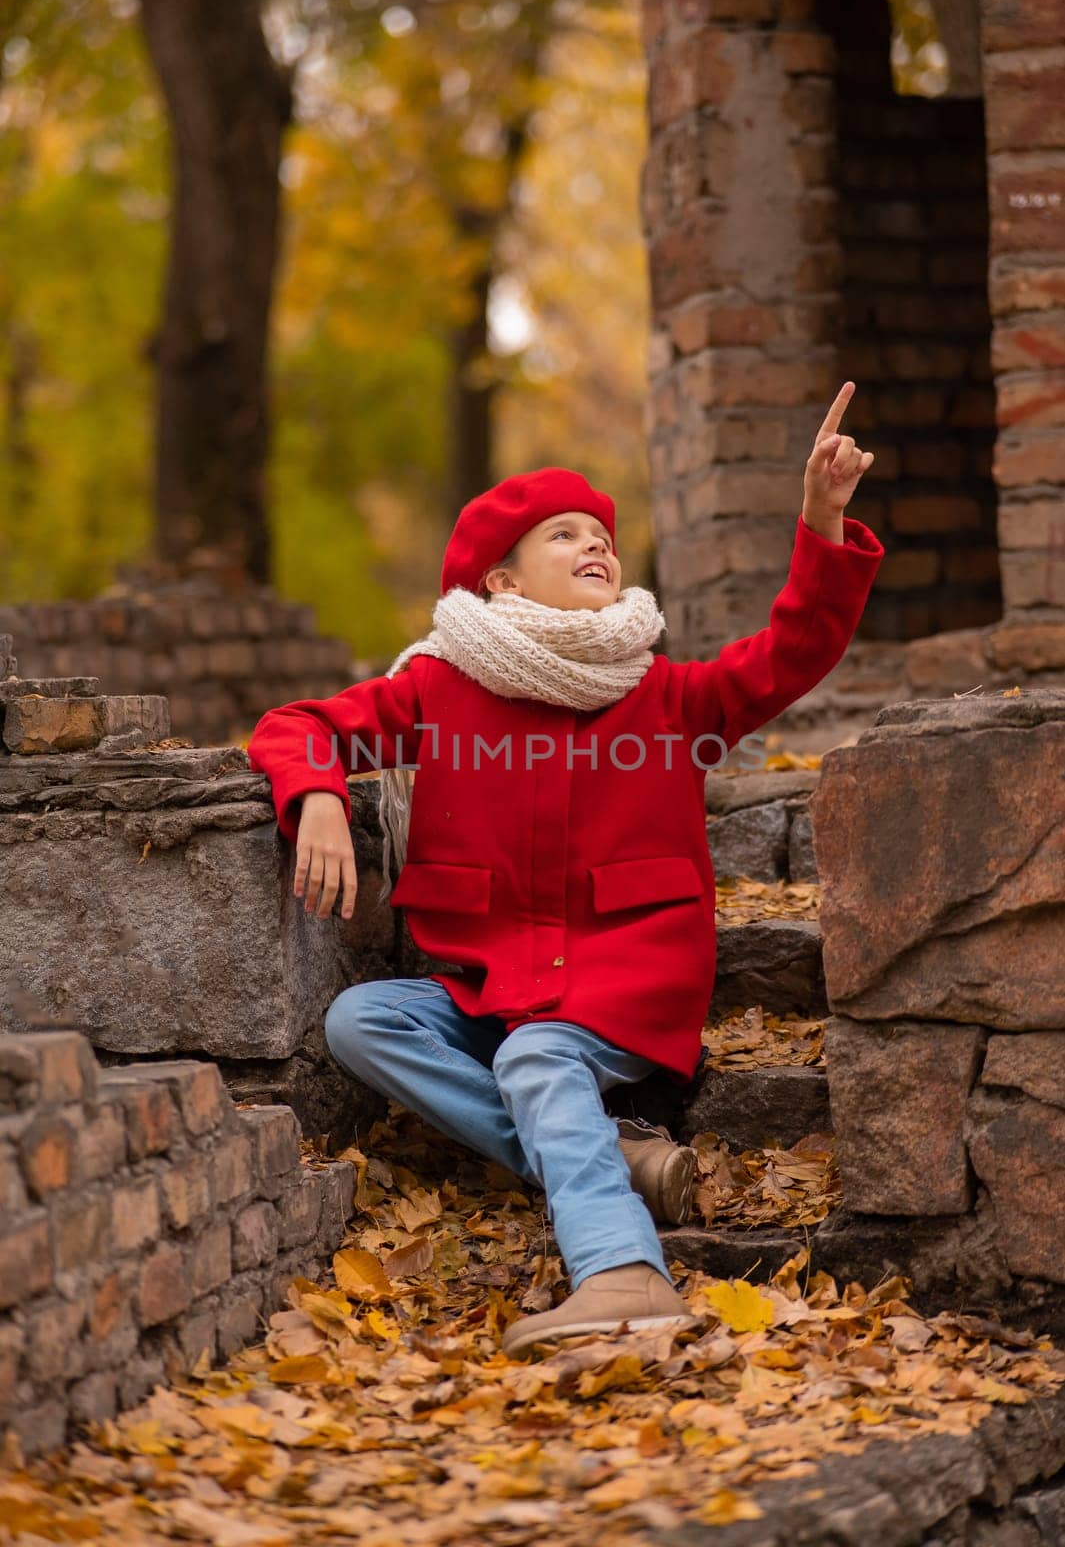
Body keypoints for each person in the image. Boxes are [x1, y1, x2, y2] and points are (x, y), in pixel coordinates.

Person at [246, 380, 884, 1358]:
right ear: (499, 581)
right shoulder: (436, 685)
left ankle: (623, 1276)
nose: (597, 545)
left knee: (538, 1057)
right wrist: (321, 793)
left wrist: (821, 524)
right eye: (564, 535)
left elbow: (791, 653)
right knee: (360, 1020)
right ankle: (612, 1156)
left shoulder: (666, 695)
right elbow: (300, 726)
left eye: (602, 534)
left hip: (620, 982)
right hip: (490, 981)